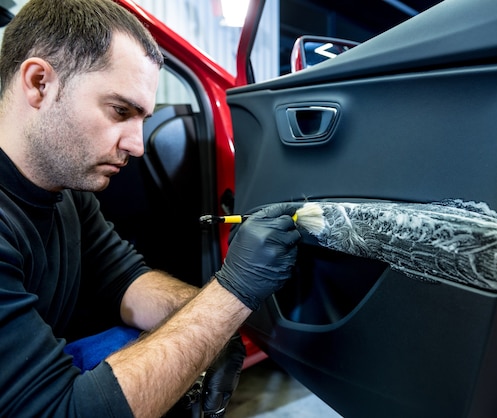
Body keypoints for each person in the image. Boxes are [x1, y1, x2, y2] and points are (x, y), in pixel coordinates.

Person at [0, 0, 301, 417]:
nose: (137, 146)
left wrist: (214, 327)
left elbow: (123, 280)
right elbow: (61, 412)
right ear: (39, 83)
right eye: (120, 111)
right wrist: (234, 291)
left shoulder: (67, 189)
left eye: (143, 117)